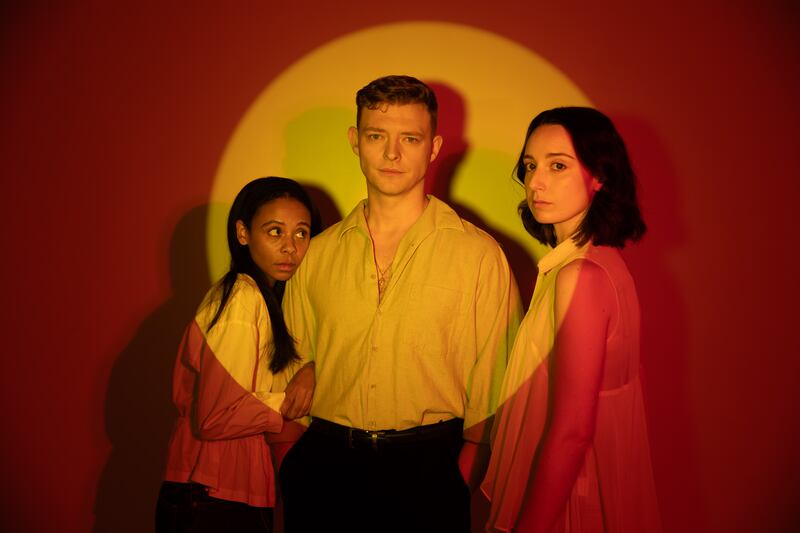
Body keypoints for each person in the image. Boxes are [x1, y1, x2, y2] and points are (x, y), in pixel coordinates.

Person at [278, 75, 521, 532]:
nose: (392, 155)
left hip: (429, 474)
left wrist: (457, 480)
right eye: (377, 136)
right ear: (356, 141)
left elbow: (497, 385)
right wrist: (290, 464)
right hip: (324, 471)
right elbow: (291, 365)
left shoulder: (480, 255)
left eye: (410, 138)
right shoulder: (318, 253)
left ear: (434, 147)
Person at [481, 107, 661, 532]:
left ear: (599, 176)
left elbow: (573, 431)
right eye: (529, 166)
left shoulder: (581, 275)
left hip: (570, 504)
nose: (536, 182)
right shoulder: (599, 264)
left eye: (557, 165)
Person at [155, 177, 320, 533]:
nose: (290, 247)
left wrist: (311, 370)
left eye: (301, 233)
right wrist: (292, 402)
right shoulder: (242, 298)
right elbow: (216, 416)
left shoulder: (264, 299)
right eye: (275, 232)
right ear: (242, 233)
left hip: (223, 491)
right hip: (210, 493)